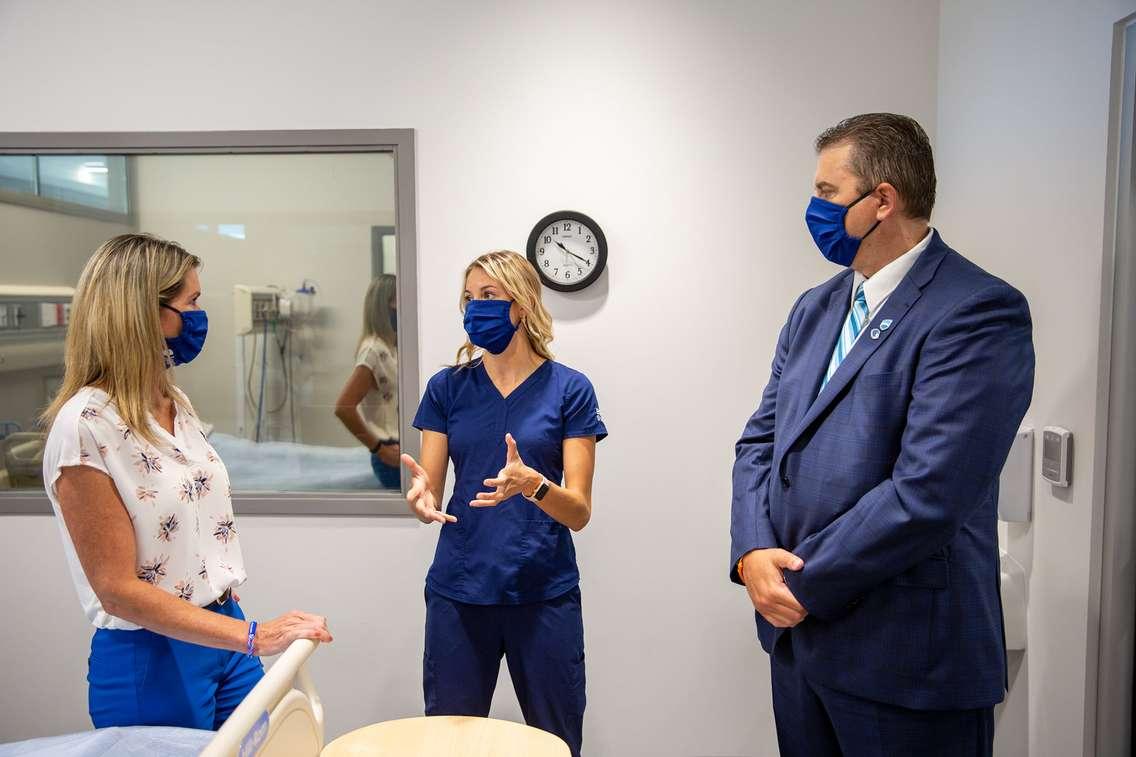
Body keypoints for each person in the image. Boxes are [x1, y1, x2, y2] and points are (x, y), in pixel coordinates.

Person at [729, 114, 1035, 756]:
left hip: (907, 662)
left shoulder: (975, 310)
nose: (813, 209)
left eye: (826, 193)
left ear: (883, 200)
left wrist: (799, 586)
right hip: (802, 651)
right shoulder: (814, 308)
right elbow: (760, 443)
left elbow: (928, 493)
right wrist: (752, 552)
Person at [41, 233, 333, 731]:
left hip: (225, 632)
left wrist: (241, 633)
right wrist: (257, 638)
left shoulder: (174, 404)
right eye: (191, 302)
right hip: (153, 655)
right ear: (144, 314)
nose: (200, 316)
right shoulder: (86, 427)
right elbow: (116, 590)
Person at [400, 251, 607, 757]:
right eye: (470, 298)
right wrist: (421, 499)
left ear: (522, 304)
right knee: (449, 743)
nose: (476, 308)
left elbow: (579, 512)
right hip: (461, 591)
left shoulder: (569, 390)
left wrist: (535, 485)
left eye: (489, 296)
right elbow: (429, 483)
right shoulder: (447, 388)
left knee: (556, 743)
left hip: (542, 593)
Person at [334, 274, 401, 489]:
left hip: (402, 448)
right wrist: (379, 449)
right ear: (384, 306)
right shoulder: (373, 350)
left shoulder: (393, 347)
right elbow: (344, 408)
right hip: (390, 454)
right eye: (397, 300)